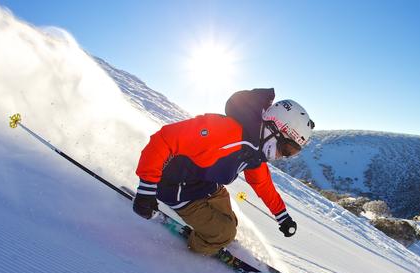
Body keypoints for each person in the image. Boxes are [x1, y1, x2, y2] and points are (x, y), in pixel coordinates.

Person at [131, 88, 315, 256]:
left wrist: (282, 215)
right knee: (224, 233)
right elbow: (164, 139)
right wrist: (146, 189)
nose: (283, 156)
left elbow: (263, 184)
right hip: (178, 188)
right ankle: (192, 251)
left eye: (291, 153)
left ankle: (213, 237)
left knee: (230, 223)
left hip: (206, 185)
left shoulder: (256, 150)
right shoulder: (226, 131)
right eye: (287, 149)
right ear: (275, 128)